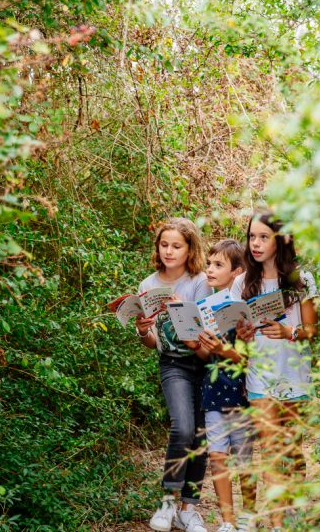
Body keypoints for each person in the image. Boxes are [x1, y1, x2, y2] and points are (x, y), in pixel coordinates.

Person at [232, 210, 318, 532]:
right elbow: (237, 333)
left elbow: (311, 330)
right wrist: (242, 335)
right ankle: (277, 524)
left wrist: (288, 332)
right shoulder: (242, 282)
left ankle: (293, 508)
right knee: (270, 450)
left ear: (281, 240)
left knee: (292, 450)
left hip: (294, 375)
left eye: (263, 237)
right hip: (260, 376)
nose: (255, 244)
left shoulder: (301, 279)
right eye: (252, 237)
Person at [135, 218, 211, 532]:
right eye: (164, 245)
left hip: (205, 364)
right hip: (174, 364)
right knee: (183, 428)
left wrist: (182, 312)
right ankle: (168, 502)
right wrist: (143, 331)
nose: (169, 251)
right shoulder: (148, 285)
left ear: (189, 249)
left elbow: (207, 330)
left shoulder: (200, 281)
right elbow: (153, 341)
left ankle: (188, 510)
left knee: (201, 437)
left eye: (176, 246)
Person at [197, 239, 256, 532]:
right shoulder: (205, 307)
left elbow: (250, 359)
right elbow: (205, 355)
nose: (210, 269)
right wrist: (196, 344)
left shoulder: (245, 307)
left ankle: (248, 515)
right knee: (217, 456)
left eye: (218, 265)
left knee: (243, 458)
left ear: (237, 272)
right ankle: (227, 522)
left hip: (242, 392)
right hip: (213, 389)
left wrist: (224, 349)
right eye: (209, 264)